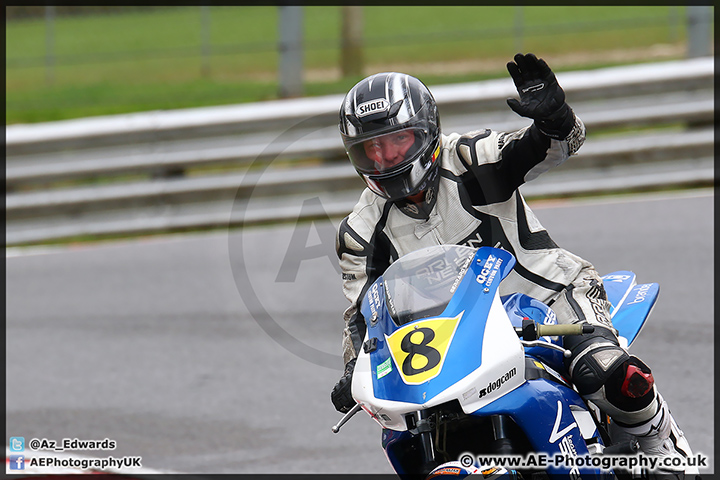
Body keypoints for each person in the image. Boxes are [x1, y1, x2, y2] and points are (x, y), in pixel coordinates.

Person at [330, 53, 697, 479]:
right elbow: (362, 315)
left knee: (606, 371)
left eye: (397, 142)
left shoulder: (470, 159)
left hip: (551, 297)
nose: (385, 158)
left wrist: (553, 121)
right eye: (370, 148)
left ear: (426, 132)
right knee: (407, 429)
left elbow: (548, 148)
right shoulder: (359, 232)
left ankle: (664, 453)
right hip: (457, 341)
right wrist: (353, 367)